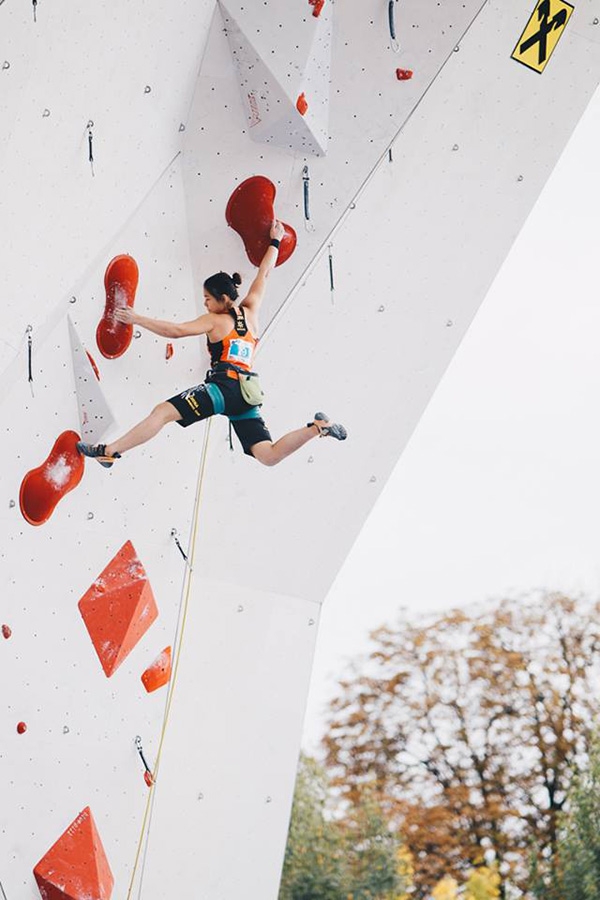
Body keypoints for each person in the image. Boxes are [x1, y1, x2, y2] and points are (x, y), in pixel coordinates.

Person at [77, 220, 346, 468]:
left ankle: (109, 451)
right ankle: (317, 428)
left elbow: (177, 331)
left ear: (221, 298)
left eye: (207, 298)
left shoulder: (216, 321)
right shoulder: (251, 313)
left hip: (223, 388)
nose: (205, 303)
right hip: (247, 394)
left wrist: (137, 318)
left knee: (162, 413)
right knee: (269, 455)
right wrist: (275, 242)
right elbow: (263, 275)